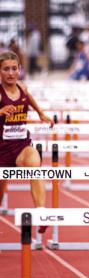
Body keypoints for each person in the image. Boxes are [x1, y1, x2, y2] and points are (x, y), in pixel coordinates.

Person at [0, 51, 54, 233]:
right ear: (0, 72)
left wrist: (40, 113)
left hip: (21, 146)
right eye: (6, 69)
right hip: (1, 150)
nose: (10, 73)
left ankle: (40, 213)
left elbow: (28, 98)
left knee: (35, 162)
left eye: (14, 69)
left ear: (19, 70)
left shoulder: (22, 87)